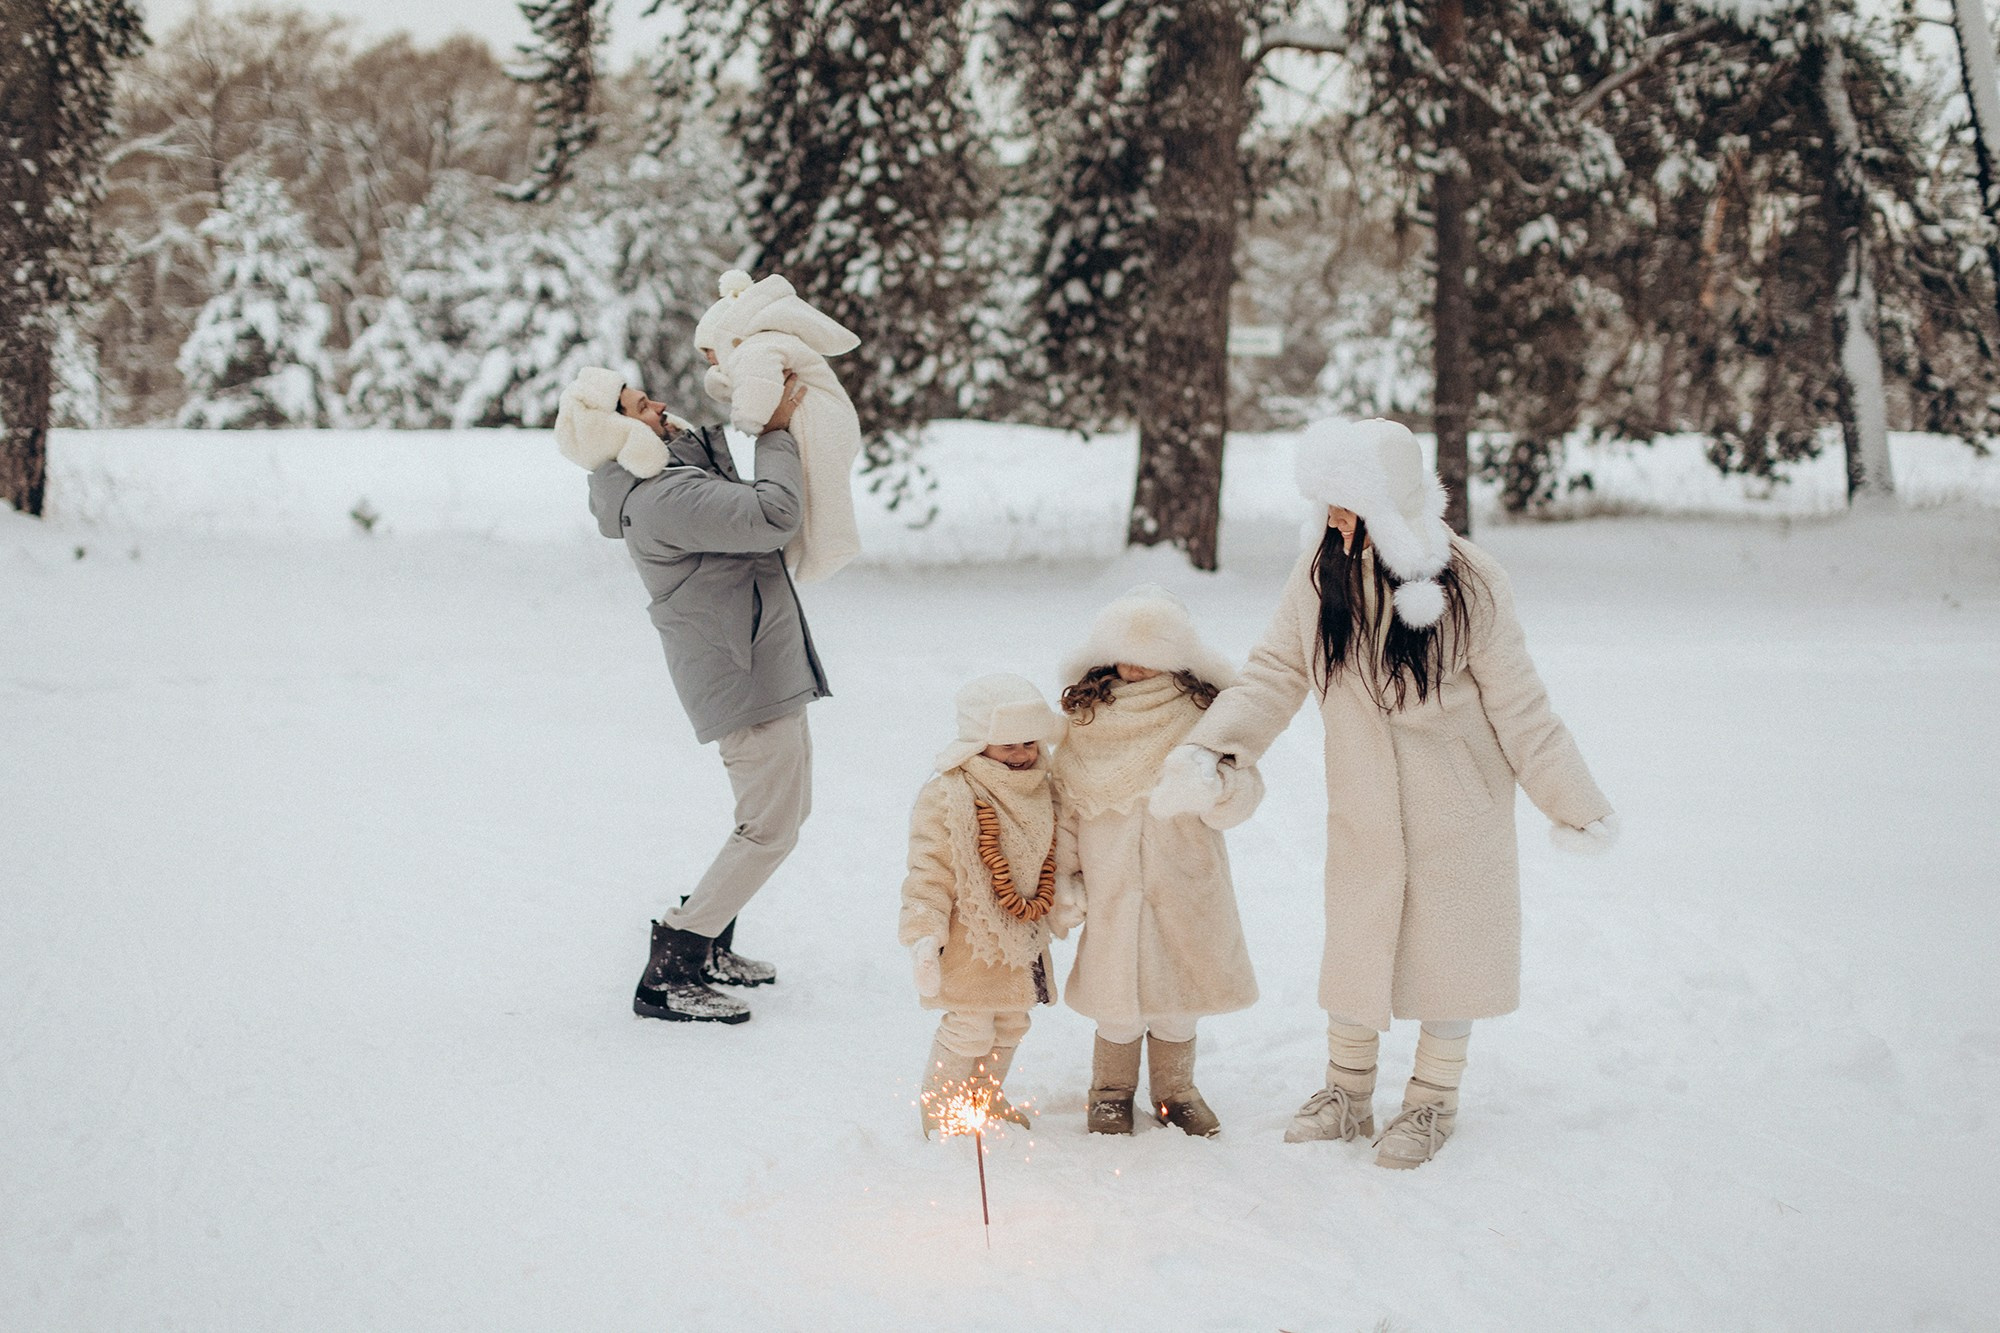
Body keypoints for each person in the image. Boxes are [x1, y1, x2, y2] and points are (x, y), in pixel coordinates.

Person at [1154, 418, 1617, 1168]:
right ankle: (1347, 1092)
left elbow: (1522, 708)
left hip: (1458, 810)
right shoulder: (1319, 576)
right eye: (1327, 502)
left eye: (1348, 503)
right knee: (1356, 946)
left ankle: (1432, 1100)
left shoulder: (1471, 581)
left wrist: (1575, 803)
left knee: (1452, 957)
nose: (1334, 518)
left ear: (1388, 503)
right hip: (1364, 807)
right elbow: (1274, 673)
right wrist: (1213, 746)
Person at [555, 364, 825, 1025]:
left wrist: (692, 436)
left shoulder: (661, 481)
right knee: (769, 828)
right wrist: (775, 430)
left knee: (778, 818)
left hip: (755, 661)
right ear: (617, 431)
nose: (659, 406)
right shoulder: (661, 498)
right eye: (640, 406)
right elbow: (773, 515)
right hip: (744, 672)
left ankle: (705, 941)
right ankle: (671, 970)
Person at [1052, 586, 1260, 1138]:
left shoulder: (1203, 715)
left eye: (1151, 655)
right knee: (1116, 1001)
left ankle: (1176, 1092)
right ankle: (1110, 1092)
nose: (1136, 667)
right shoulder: (1089, 719)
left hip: (1186, 876)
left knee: (1179, 999)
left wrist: (1216, 788)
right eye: (1125, 654)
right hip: (1111, 877)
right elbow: (1066, 802)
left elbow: (1243, 787)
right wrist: (1067, 875)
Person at [899, 674, 1075, 1138]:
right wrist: (924, 933)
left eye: (1029, 743)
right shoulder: (948, 794)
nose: (1021, 755)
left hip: (1023, 933)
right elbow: (929, 870)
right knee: (970, 1026)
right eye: (1007, 745)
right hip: (969, 938)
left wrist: (1066, 899)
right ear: (978, 743)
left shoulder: (1046, 790)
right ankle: (941, 1112)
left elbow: (1056, 856)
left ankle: (984, 1096)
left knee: (1012, 1023)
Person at [695, 269, 864, 584]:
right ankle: (801, 546)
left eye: (708, 351)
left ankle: (833, 547)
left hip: (822, 422)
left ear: (726, 338)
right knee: (803, 487)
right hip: (826, 421)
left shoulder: (756, 348)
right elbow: (746, 380)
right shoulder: (760, 346)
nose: (709, 360)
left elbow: (758, 384)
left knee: (824, 489)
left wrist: (748, 417)